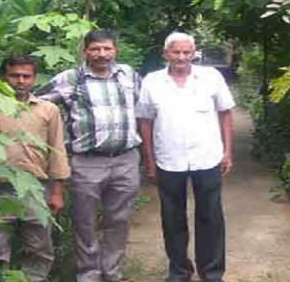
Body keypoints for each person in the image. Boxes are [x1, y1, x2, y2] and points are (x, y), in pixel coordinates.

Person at [37, 29, 141, 282]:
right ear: (85, 52)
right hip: (86, 162)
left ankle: (112, 270)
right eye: (95, 49)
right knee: (84, 221)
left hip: (126, 159)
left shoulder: (129, 75)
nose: (102, 54)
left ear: (115, 50)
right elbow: (36, 105)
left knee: (119, 219)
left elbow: (145, 107)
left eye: (107, 48)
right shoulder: (70, 79)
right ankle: (89, 273)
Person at [137, 32, 235, 282]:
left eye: (186, 52)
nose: (181, 57)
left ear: (194, 53)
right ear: (165, 54)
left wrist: (227, 151)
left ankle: (212, 273)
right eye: (176, 52)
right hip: (168, 159)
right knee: (172, 218)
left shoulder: (211, 77)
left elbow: (225, 113)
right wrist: (148, 161)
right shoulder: (152, 81)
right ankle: (179, 270)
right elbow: (145, 122)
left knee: (210, 216)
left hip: (207, 157)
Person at [0, 55, 70, 282]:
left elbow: (57, 150)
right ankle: (0, 278)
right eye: (15, 75)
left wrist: (57, 191)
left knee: (39, 246)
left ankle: (35, 278)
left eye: (27, 76)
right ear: (3, 77)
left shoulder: (48, 109)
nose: (21, 81)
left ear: (34, 79)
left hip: (35, 188)